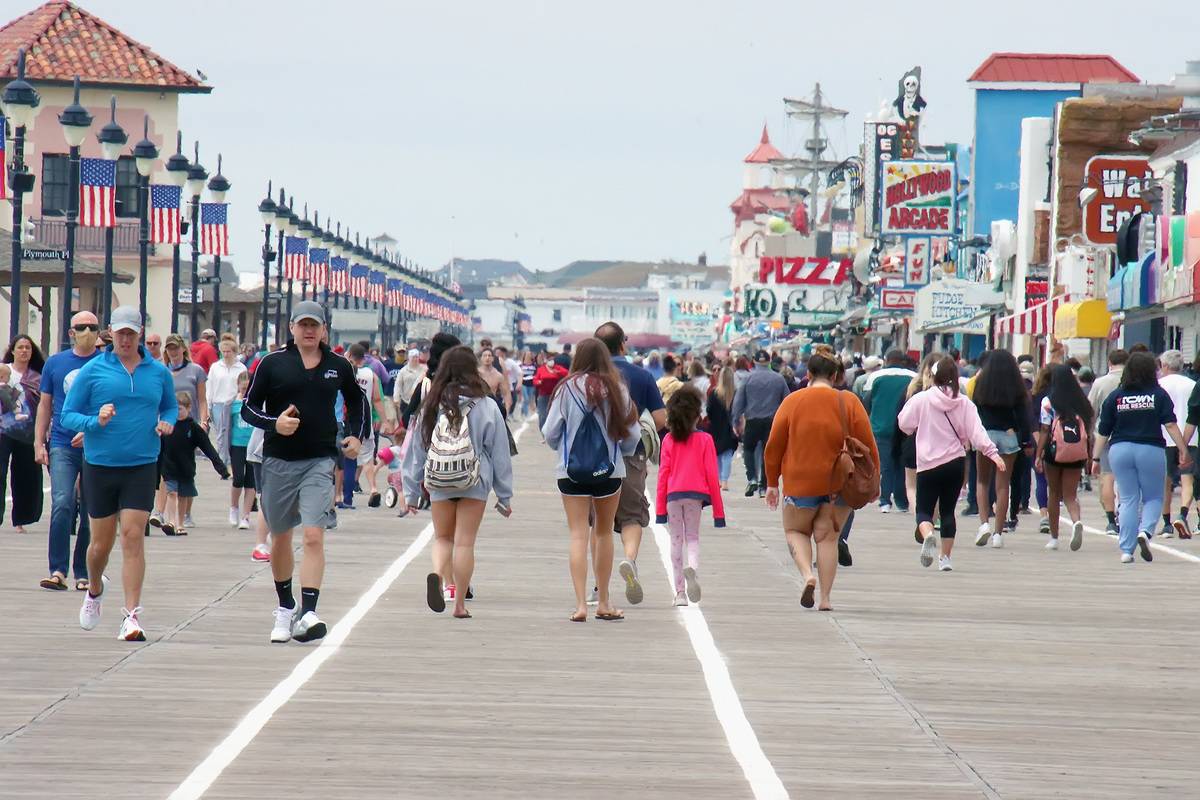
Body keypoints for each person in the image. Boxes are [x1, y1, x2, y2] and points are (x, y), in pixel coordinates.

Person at [241, 301, 368, 644]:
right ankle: (285, 607)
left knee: (313, 535)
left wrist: (356, 435)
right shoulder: (272, 364)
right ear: (292, 328)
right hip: (279, 460)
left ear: (324, 330)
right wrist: (275, 423)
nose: (309, 331)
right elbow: (248, 408)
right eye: (303, 325)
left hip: (320, 459)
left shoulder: (338, 365)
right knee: (280, 537)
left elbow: (357, 401)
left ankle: (309, 612)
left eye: (316, 325)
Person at [61, 307, 177, 642]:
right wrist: (94, 420)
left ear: (140, 334)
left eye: (132, 334)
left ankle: (131, 616)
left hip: (141, 463)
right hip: (100, 464)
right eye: (120, 333)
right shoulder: (94, 370)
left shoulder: (157, 373)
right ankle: (95, 588)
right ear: (110, 333)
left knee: (132, 535)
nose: (125, 340)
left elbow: (169, 405)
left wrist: (167, 421)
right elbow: (68, 415)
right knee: (100, 544)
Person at [401, 346, 513, 619]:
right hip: (474, 479)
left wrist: (412, 490)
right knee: (465, 543)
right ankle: (459, 604)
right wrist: (504, 494)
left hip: (439, 479)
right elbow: (499, 450)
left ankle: (438, 574)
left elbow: (417, 447)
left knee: (442, 538)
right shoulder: (487, 405)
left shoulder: (431, 403)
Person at [764, 350, 878, 609]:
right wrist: (874, 483)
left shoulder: (793, 402)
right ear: (837, 376)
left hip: (799, 482)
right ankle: (825, 599)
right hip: (839, 483)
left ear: (808, 374)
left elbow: (774, 445)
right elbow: (868, 446)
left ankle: (807, 575)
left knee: (795, 531)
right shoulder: (849, 403)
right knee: (828, 539)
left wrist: (772, 482)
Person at [541, 337, 640, 623]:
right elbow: (632, 434)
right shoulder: (617, 388)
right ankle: (605, 601)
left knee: (577, 534)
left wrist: (564, 450)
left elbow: (550, 432)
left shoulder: (565, 389)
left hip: (570, 471)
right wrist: (619, 453)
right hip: (608, 470)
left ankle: (581, 605)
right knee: (604, 533)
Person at [899, 356, 1003, 572]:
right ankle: (945, 559)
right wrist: (993, 453)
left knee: (924, 511)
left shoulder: (923, 399)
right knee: (948, 511)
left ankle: (928, 535)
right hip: (955, 463)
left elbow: (904, 423)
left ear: (933, 376)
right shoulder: (964, 403)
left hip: (928, 464)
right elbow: (977, 432)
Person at [1093, 351, 1192, 563]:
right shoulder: (1158, 394)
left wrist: (1094, 459)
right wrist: (1182, 448)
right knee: (1154, 497)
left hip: (1119, 449)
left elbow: (1103, 431)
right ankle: (1145, 532)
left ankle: (1127, 550)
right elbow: (1171, 424)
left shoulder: (1116, 397)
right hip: (1150, 448)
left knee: (1128, 499)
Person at [594, 322, 667, 606]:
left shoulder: (588, 377)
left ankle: (599, 587)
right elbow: (660, 419)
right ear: (623, 344)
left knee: (598, 524)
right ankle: (630, 560)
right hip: (632, 454)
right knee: (632, 516)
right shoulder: (641, 375)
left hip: (595, 457)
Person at [35, 311, 101, 590]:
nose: (87, 331)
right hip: (62, 442)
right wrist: (39, 442)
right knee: (62, 503)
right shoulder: (56, 363)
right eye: (81, 327)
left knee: (90, 509)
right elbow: (45, 405)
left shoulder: (105, 363)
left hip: (97, 443)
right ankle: (57, 569)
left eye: (92, 327)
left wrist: (92, 430)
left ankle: (83, 571)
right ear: (71, 332)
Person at [653, 385, 724, 606]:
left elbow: (663, 475)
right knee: (692, 538)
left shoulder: (668, 441)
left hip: (673, 495)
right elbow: (712, 475)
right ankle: (692, 569)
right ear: (697, 414)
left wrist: (659, 510)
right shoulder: (705, 440)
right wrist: (718, 514)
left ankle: (680, 593)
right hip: (696, 495)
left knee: (675, 541)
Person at [971, 350, 1031, 548]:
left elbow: (975, 410)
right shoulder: (1016, 386)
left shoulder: (981, 383)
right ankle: (998, 533)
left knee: (982, 480)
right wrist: (1025, 440)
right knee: (1003, 485)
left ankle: (983, 525)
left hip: (985, 434)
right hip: (1008, 435)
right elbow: (1023, 415)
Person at [1035, 364, 1093, 552]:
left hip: (1054, 451)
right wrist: (1090, 456)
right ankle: (1076, 521)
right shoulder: (1082, 402)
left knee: (1053, 492)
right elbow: (1089, 432)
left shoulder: (1048, 402)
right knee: (1070, 495)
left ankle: (1054, 537)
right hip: (1076, 452)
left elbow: (1045, 430)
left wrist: (1038, 454)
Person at [159, 391, 229, 536]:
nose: (177, 412)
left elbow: (208, 448)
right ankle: (171, 522)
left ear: (189, 408)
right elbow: (158, 447)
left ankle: (180, 523)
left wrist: (221, 468)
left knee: (183, 496)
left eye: (180, 409)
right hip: (169, 466)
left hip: (186, 467)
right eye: (175, 409)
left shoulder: (193, 428)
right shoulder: (167, 425)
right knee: (171, 492)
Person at [731, 349, 790, 498]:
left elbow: (738, 401)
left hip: (752, 419)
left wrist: (736, 419)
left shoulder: (748, 378)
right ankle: (764, 486)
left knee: (748, 449)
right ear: (769, 361)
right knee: (767, 453)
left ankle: (751, 478)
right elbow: (787, 400)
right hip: (772, 421)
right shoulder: (778, 379)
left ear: (754, 361)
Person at [1, 334, 45, 533]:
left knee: (25, 475)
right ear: (12, 350)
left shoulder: (37, 377)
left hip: (27, 432)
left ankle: (21, 519)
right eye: (20, 347)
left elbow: (43, 404)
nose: (24, 351)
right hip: (3, 430)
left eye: (28, 347)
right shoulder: (4, 371)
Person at [344, 343, 397, 508]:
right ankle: (373, 488)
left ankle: (345, 494)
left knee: (347, 459)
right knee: (367, 459)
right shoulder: (371, 375)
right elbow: (377, 399)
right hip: (365, 420)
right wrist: (385, 421)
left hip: (346, 420)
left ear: (351, 356)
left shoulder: (345, 372)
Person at [864, 349, 917, 512]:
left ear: (886, 360)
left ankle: (885, 500)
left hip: (881, 428)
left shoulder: (875, 377)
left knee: (884, 465)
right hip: (905, 429)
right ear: (903, 361)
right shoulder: (912, 377)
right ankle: (902, 501)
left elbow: (867, 403)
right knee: (903, 465)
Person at [1156, 350, 1195, 538]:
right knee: (1188, 479)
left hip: (1164, 436)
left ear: (1164, 365)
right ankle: (1183, 514)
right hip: (1191, 437)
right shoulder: (1192, 385)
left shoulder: (1158, 385)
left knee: (1165, 481)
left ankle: (1166, 523)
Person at [1088, 349, 1128, 535]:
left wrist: (1090, 434)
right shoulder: (1132, 383)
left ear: (1110, 363)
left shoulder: (1100, 383)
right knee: (1127, 478)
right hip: (1128, 434)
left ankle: (1111, 520)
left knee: (1107, 476)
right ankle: (1126, 513)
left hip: (1104, 435)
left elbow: (1091, 410)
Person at [206, 338, 246, 468]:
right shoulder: (216, 367)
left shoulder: (241, 368)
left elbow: (245, 385)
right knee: (221, 433)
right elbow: (210, 385)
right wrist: (209, 404)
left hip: (235, 403)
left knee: (231, 432)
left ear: (234, 352)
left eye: (228, 351)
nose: (226, 354)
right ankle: (223, 460)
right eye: (223, 351)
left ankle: (231, 458)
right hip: (218, 403)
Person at [228, 372, 256, 529]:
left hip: (252, 446)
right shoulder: (233, 404)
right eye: (243, 388)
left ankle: (245, 516)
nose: (245, 391)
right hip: (237, 444)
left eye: (248, 388)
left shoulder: (256, 403)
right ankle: (234, 507)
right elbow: (226, 426)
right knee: (238, 478)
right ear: (238, 386)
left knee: (251, 482)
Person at [706, 365, 738, 491]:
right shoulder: (735, 393)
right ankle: (724, 480)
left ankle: (719, 479)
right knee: (727, 455)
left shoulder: (714, 393)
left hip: (715, 427)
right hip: (730, 428)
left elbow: (709, 411)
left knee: (718, 454)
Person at [533, 351, 569, 432]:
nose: (551, 361)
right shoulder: (541, 369)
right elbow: (535, 380)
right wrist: (539, 382)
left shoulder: (558, 368)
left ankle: (552, 431)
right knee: (543, 416)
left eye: (552, 359)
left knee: (554, 415)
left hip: (555, 395)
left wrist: (558, 373)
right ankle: (544, 433)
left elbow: (567, 373)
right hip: (543, 395)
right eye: (549, 359)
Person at [393, 348, 427, 421]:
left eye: (416, 357)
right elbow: (398, 385)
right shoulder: (403, 371)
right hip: (406, 401)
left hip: (420, 401)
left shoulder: (424, 369)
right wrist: (396, 398)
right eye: (413, 357)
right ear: (409, 358)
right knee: (406, 421)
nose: (415, 359)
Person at [478, 347, 512, 418]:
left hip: (492, 406)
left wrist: (506, 410)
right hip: (477, 406)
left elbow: (506, 394)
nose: (487, 358)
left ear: (493, 359)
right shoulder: (476, 374)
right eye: (485, 355)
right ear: (481, 358)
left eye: (489, 355)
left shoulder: (498, 376)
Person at [520, 351, 537, 418]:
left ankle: (523, 411)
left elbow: (536, 374)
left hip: (531, 384)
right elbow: (519, 374)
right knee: (526, 398)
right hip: (523, 383)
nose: (528, 356)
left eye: (529, 354)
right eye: (527, 354)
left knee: (529, 399)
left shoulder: (534, 365)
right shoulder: (521, 365)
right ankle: (526, 414)